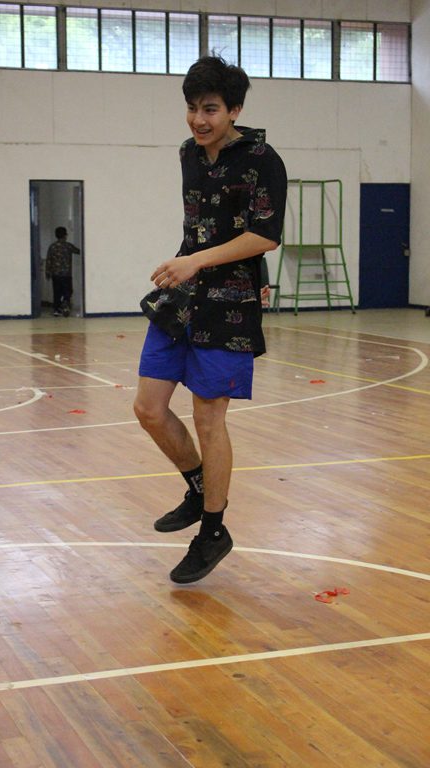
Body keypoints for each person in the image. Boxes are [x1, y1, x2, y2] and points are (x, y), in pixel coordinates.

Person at [134, 55, 287, 584]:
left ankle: (213, 530)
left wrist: (195, 261)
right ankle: (198, 487)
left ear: (235, 110)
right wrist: (189, 264)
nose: (199, 120)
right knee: (148, 408)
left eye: (211, 109)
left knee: (208, 418)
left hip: (230, 302)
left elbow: (264, 235)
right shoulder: (189, 154)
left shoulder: (263, 159)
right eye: (193, 108)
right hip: (183, 295)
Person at [45, 226, 80, 316]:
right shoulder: (68, 246)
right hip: (66, 274)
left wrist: (47, 272)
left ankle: (56, 310)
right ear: (65, 235)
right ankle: (65, 304)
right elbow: (79, 251)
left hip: (55, 274)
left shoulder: (52, 246)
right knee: (68, 291)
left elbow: (49, 260)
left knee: (57, 292)